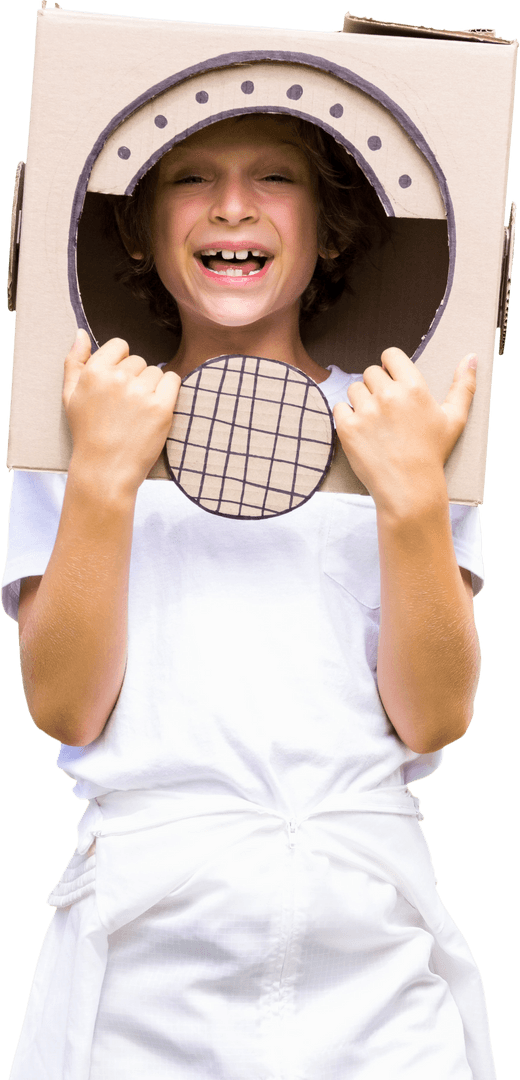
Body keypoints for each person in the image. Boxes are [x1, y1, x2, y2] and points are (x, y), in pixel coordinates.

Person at [2, 113, 494, 1079]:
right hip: (149, 963)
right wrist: (103, 473)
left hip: (369, 958)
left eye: (277, 176)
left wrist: (411, 496)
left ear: (333, 224)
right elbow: (64, 707)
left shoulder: (398, 419)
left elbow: (433, 717)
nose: (233, 205)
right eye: (191, 178)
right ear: (141, 227)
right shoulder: (83, 417)